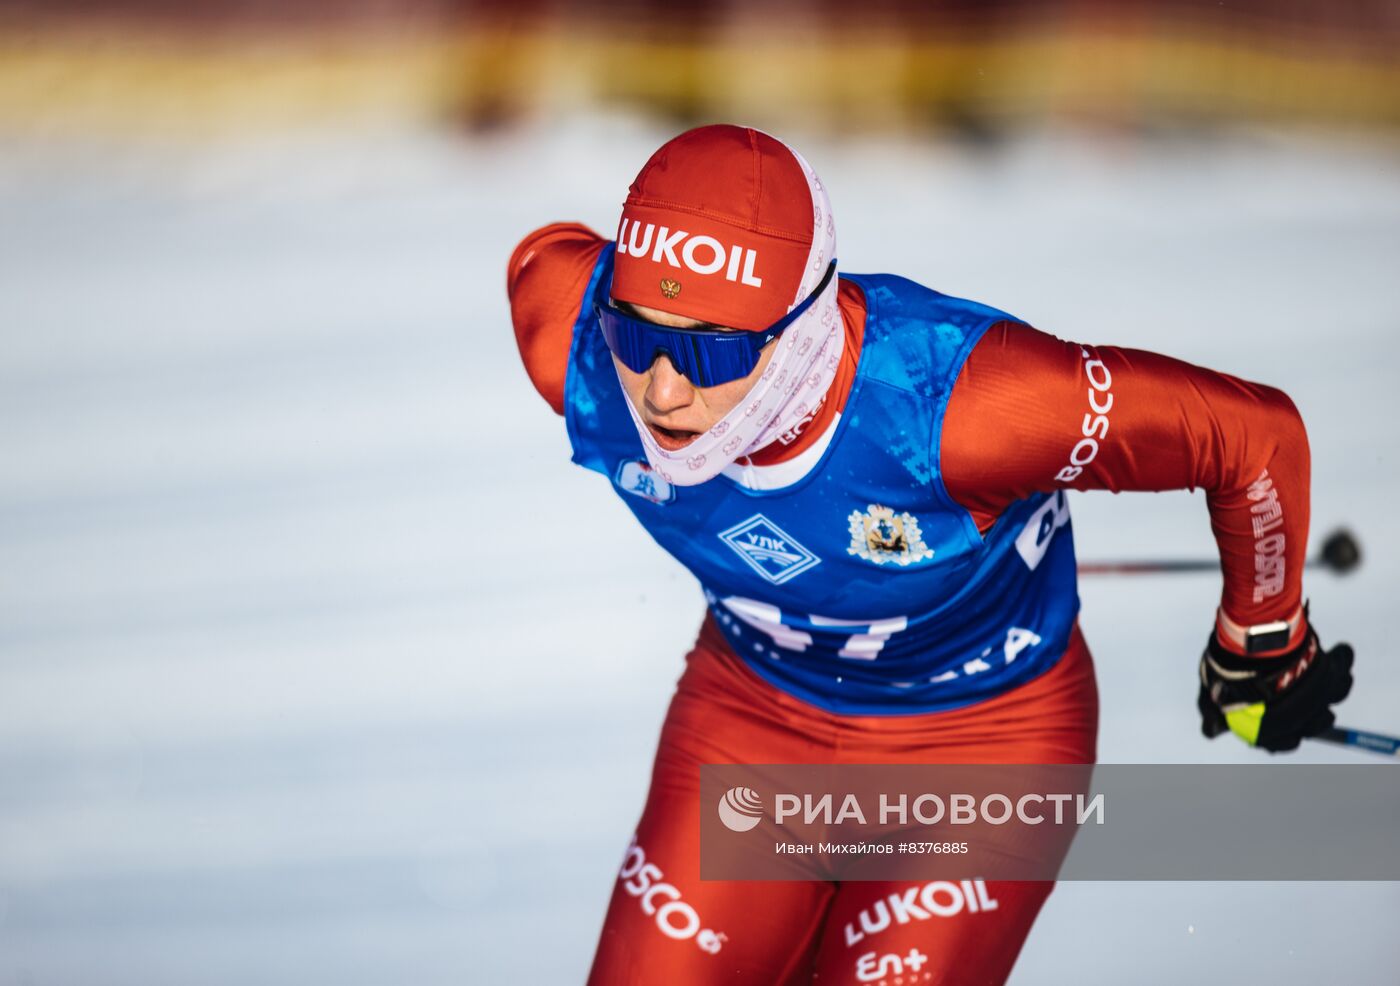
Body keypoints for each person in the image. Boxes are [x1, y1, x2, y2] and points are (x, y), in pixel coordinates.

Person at [505, 125, 1354, 985]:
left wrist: (1265, 640)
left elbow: (1252, 437)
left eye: (710, 348)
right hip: (751, 728)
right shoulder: (569, 339)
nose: (660, 389)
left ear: (802, 322)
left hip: (979, 747)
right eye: (635, 330)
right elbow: (544, 259)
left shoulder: (964, 410)